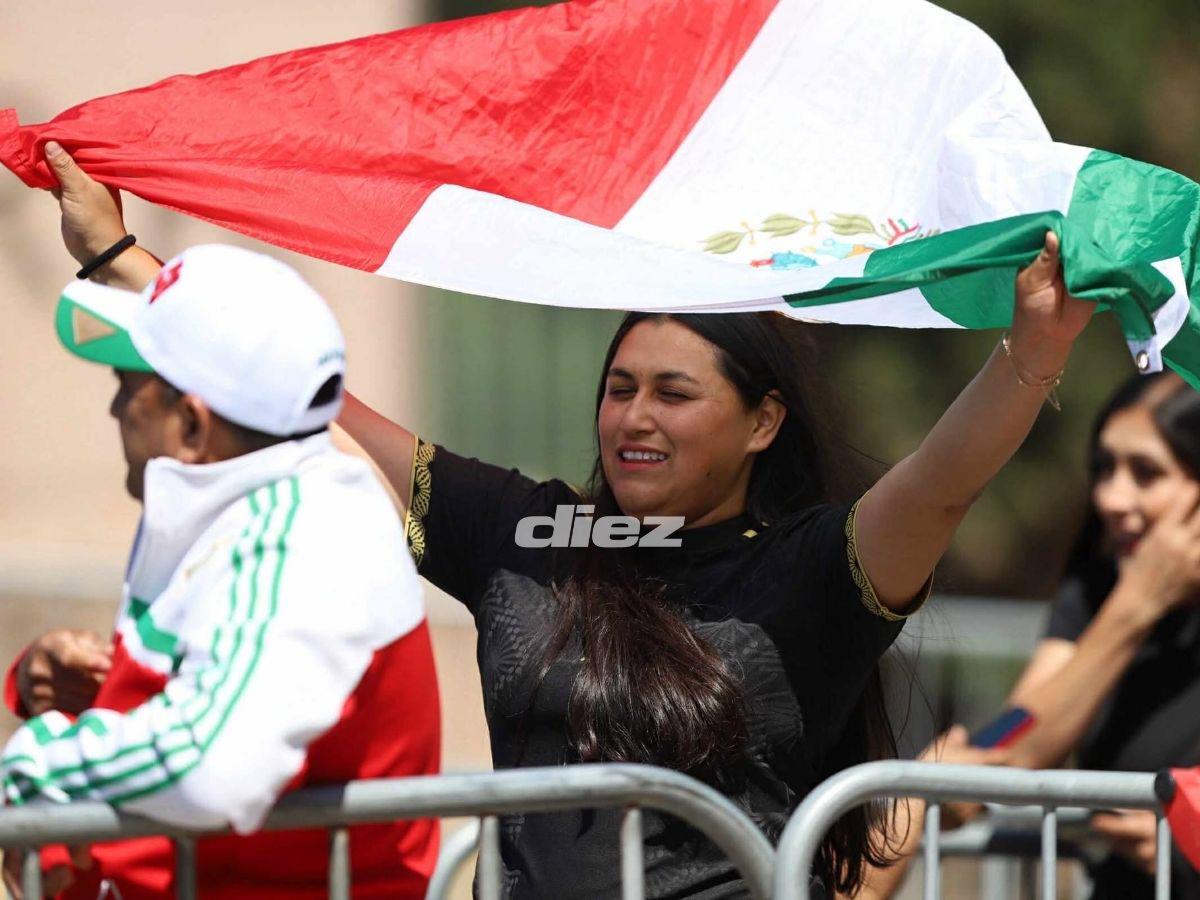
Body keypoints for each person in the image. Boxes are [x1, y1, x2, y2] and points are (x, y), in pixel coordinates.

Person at [37, 141, 1093, 898]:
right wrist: (115, 259)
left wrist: (1034, 352)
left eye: (673, 394)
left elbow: (945, 479)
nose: (633, 416)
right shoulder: (530, 534)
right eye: (619, 385)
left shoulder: (816, 567)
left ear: (765, 419)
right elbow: (314, 409)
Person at [1, 149, 442, 900]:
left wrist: (42, 759)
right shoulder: (247, 498)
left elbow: (215, 767)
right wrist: (87, 693)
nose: (114, 410)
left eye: (127, 385)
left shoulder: (305, 533)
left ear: (193, 425)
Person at [853, 372, 1200, 899]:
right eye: (1103, 469)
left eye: (1146, 473)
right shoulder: (1100, 589)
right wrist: (1135, 607)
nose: (1111, 495)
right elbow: (1019, 742)